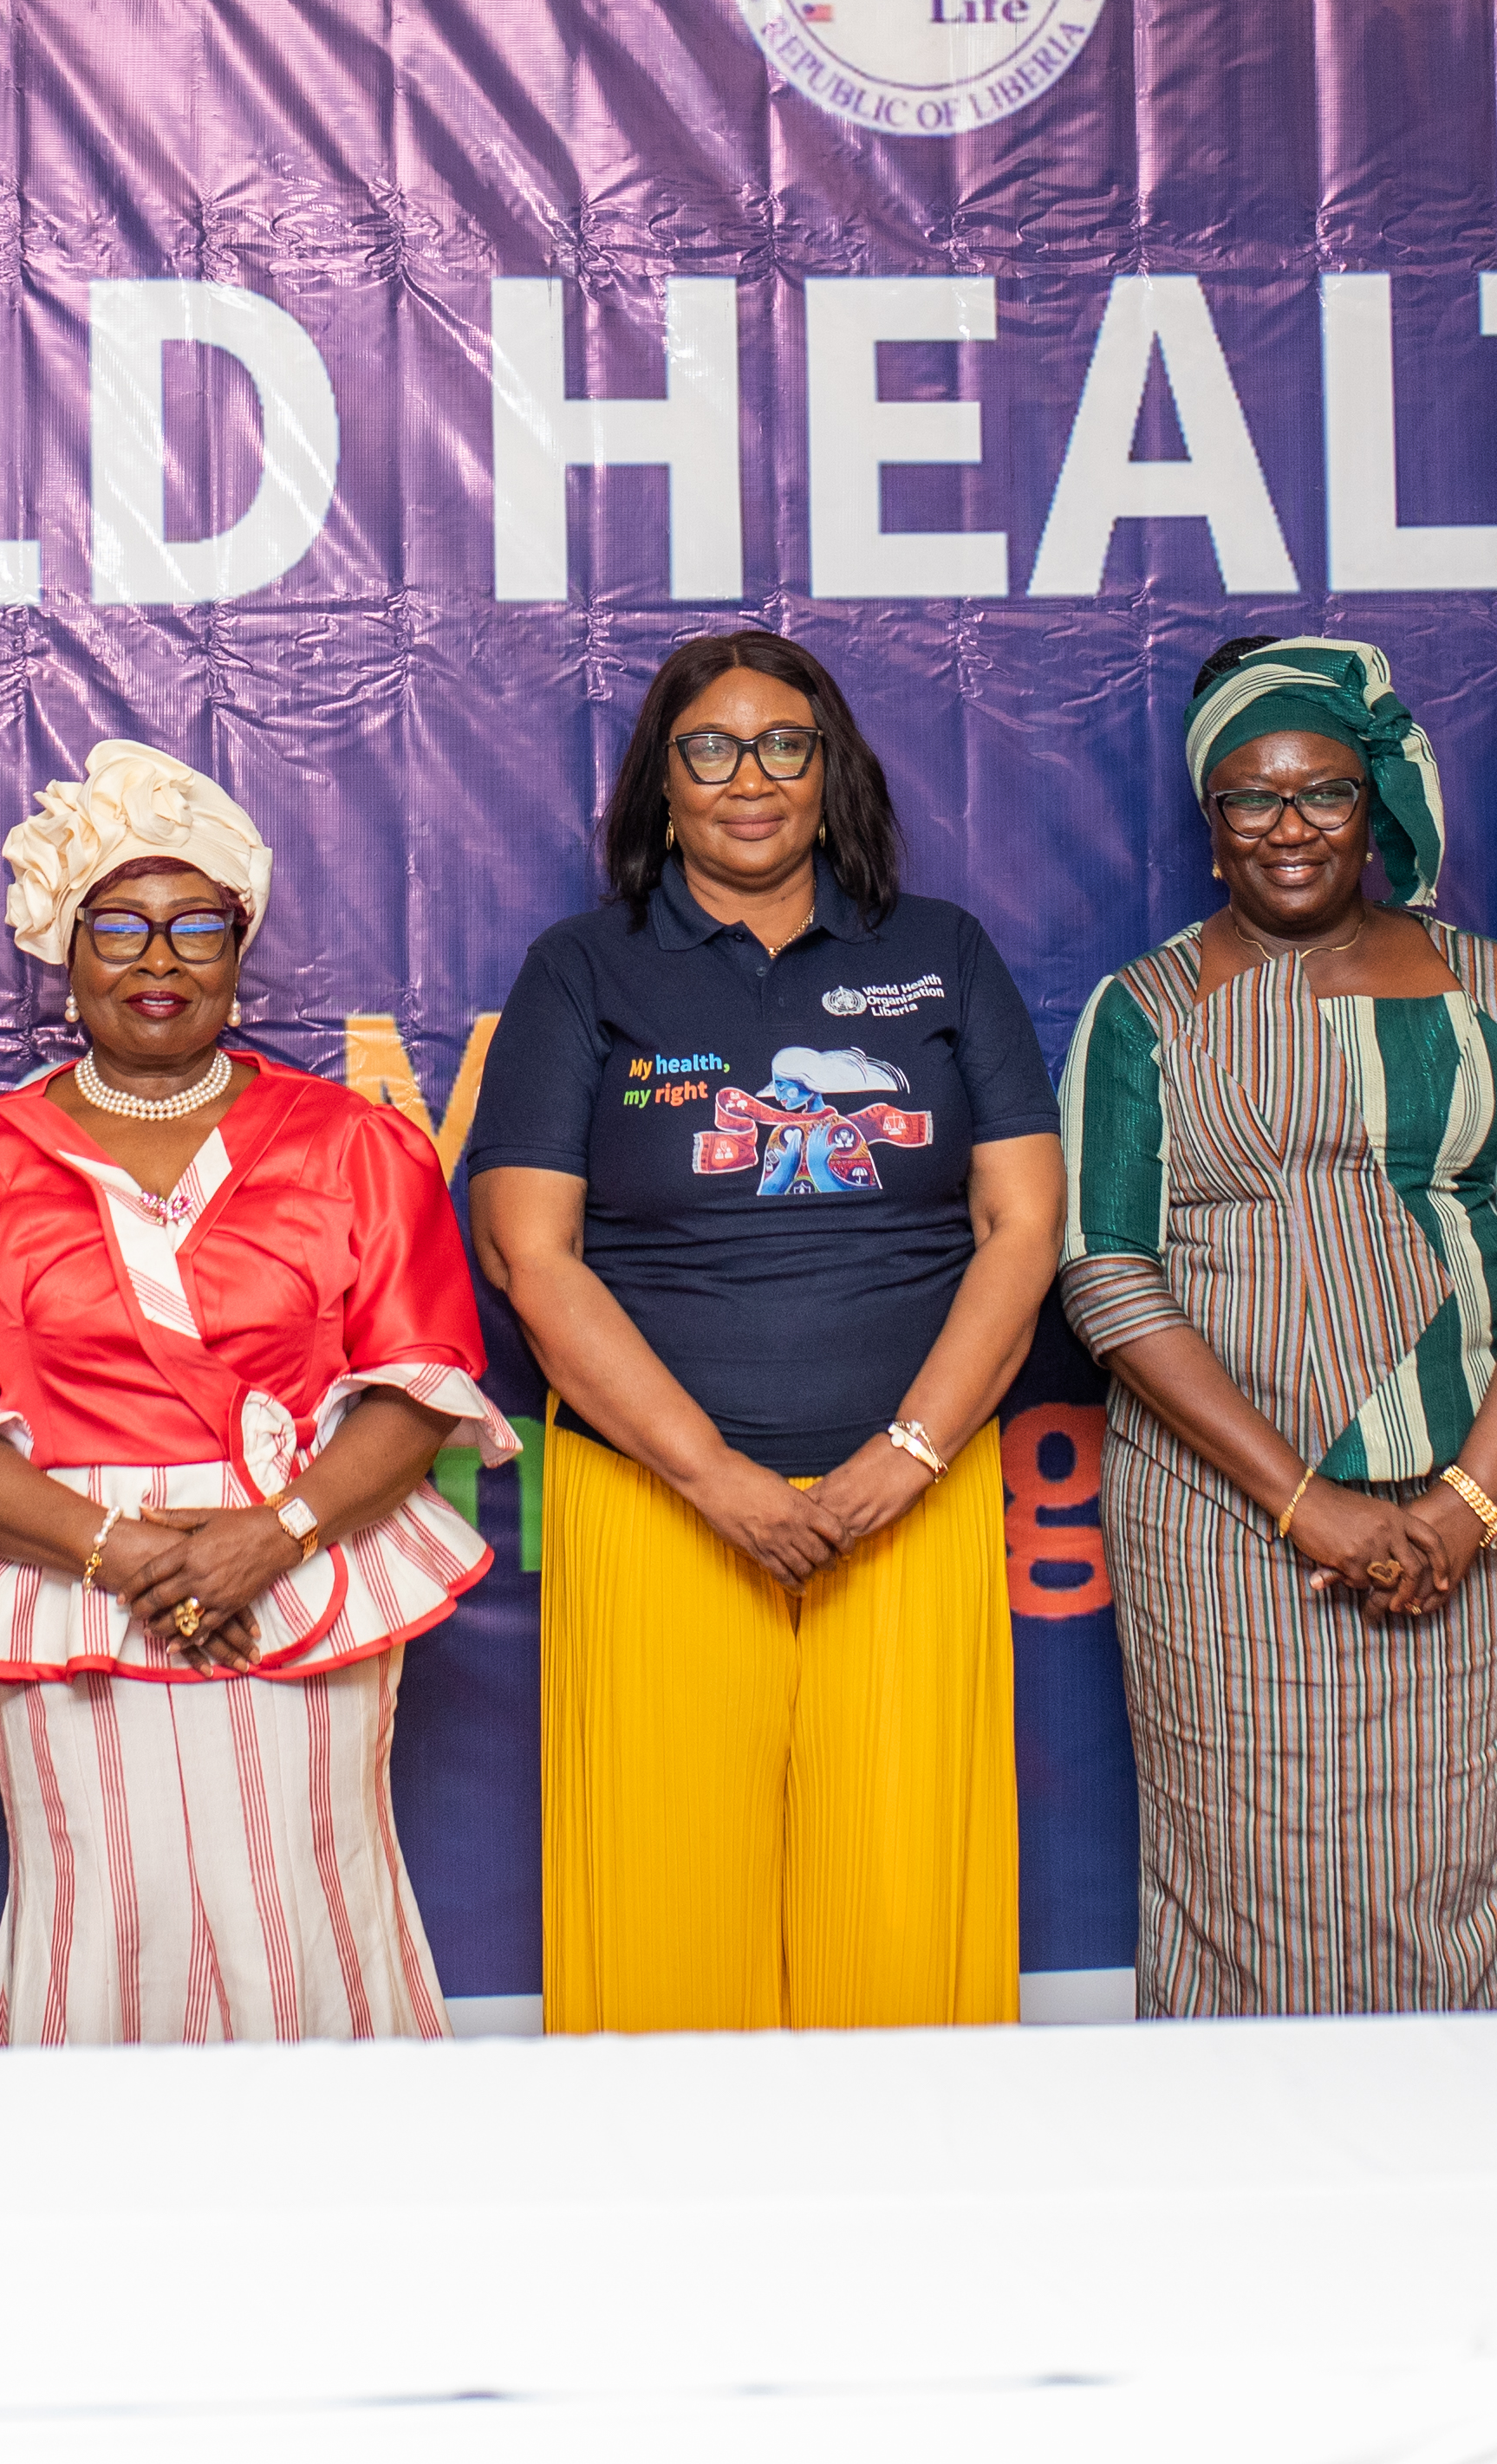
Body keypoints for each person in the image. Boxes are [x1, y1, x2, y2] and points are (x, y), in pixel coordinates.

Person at [0, 742, 507, 2043]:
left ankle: (348, 2215)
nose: (159, 959)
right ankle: (84, 2226)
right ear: (65, 948)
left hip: (306, 1560)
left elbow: (419, 1387)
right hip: (64, 1573)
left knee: (308, 1905)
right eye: (119, 925)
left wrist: (269, 1538)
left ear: (241, 946)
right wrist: (130, 1554)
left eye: (197, 926)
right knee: (100, 1913)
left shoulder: (356, 1144)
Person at [469, 634, 1064, 2033]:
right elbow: (528, 1252)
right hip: (655, 1501)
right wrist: (709, 1474)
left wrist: (907, 1454)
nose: (751, 779)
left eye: (784, 745)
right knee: (664, 1925)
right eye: (710, 749)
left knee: (907, 1916)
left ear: (829, 769)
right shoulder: (581, 969)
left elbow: (1023, 1229)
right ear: (659, 786)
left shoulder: (938, 954)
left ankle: (912, 2229)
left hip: (907, 1504)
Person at [1058, 637, 1497, 2015]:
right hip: (1220, 1516)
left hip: (1465, 1507)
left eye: (1323, 793)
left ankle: (1449, 2195)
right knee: (1238, 1863)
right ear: (1209, 826)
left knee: (1444, 1863)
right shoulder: (1142, 1011)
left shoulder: (1493, 993)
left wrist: (1469, 1500)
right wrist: (1305, 1504)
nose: (1289, 828)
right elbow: (1107, 1278)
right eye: (1252, 798)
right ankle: (1248, 2205)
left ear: (1372, 809)